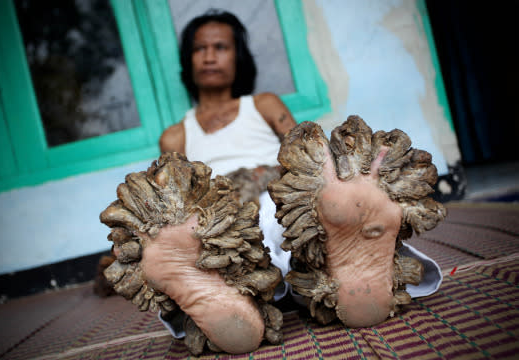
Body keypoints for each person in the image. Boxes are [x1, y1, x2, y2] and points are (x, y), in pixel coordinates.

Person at [142, 9, 443, 354]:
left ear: (238, 57)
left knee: (290, 225)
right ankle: (230, 296)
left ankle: (326, 267)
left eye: (221, 47)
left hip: (279, 193)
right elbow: (178, 194)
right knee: (224, 245)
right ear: (188, 59)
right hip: (222, 214)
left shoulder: (263, 105)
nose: (209, 56)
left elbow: (307, 154)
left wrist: (279, 182)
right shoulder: (175, 136)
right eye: (200, 49)